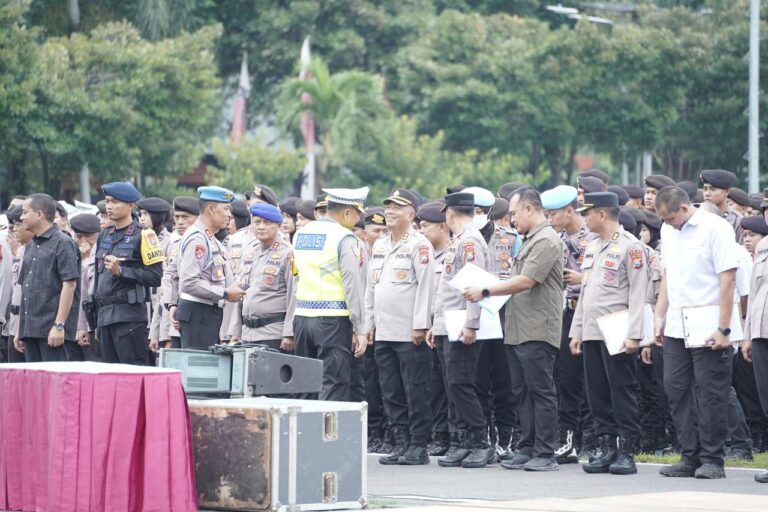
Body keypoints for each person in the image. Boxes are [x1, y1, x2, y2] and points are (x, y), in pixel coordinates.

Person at [464, 187, 563, 472]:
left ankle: (545, 452)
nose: (512, 219)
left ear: (530, 209)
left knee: (541, 390)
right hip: (519, 327)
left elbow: (526, 281)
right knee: (521, 390)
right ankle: (528, 446)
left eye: (515, 213)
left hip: (538, 328)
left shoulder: (546, 239)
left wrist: (486, 290)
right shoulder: (529, 238)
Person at [654, 186, 739, 479]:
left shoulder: (716, 228)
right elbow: (669, 274)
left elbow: (727, 279)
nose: (665, 224)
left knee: (711, 393)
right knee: (675, 389)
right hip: (677, 321)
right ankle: (689, 456)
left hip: (709, 320)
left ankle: (712, 458)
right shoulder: (668, 232)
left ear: (684, 208)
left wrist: (724, 327)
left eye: (668, 217)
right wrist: (659, 315)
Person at [569, 192, 648, 475]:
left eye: (587, 213)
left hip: (618, 327)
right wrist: (576, 330)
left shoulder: (631, 247)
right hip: (592, 329)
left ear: (601, 214)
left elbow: (639, 294)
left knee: (621, 391)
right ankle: (607, 447)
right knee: (597, 392)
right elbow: (586, 292)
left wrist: (635, 334)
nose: (584, 218)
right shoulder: (592, 247)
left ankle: (627, 450)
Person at [366, 189, 435, 465]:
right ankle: (401, 441)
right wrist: (368, 323)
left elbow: (427, 287)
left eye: (397, 207)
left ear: (411, 214)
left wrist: (421, 324)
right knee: (391, 390)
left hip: (409, 332)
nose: (390, 211)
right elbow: (372, 288)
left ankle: (418, 444)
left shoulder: (419, 245)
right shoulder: (381, 245)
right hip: (384, 330)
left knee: (415, 388)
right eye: (388, 207)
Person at [427, 191, 492, 469]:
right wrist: (436, 324)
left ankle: (480, 441)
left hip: (462, 324)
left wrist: (471, 323)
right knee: (452, 384)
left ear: (450, 213)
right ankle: (463, 441)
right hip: (448, 323)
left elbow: (474, 286)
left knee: (461, 383)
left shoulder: (470, 242)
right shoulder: (459, 241)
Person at [292, 187, 369, 401]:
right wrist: (360, 328)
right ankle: (327, 434)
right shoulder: (346, 238)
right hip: (332, 320)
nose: (359, 218)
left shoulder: (301, 233)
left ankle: (302, 433)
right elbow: (352, 285)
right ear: (346, 213)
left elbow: (296, 275)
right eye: (357, 213)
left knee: (305, 383)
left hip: (302, 317)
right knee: (333, 383)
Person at [541, 185, 597, 464]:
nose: (549, 218)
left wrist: (581, 279)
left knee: (596, 380)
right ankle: (567, 439)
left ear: (570, 211)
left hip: (592, 314)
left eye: (553, 213)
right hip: (566, 312)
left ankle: (596, 438)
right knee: (566, 378)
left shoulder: (595, 235)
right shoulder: (555, 238)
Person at [464, 188, 519, 460]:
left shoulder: (511, 239)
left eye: (477, 211)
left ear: (487, 212)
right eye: (468, 211)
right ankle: (482, 439)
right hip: (473, 319)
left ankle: (505, 440)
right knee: (476, 380)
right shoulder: (460, 239)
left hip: (504, 317)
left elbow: (521, 277)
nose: (472, 216)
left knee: (503, 381)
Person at [92, 183, 163, 365]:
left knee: (131, 375)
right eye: (107, 201)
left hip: (129, 318)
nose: (109, 206)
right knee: (109, 377)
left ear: (130, 205)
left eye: (115, 202)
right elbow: (98, 280)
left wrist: (122, 271)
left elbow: (156, 277)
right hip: (105, 316)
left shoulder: (145, 235)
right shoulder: (104, 235)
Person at [177, 186, 244, 350]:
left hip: (205, 314)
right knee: (198, 370)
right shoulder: (198, 239)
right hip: (198, 313)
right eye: (226, 209)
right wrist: (225, 293)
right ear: (211, 209)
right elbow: (189, 282)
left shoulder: (209, 238)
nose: (229, 215)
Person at [17, 193, 80, 362]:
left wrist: (59, 325)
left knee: (55, 386)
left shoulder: (63, 243)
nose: (21, 217)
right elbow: (26, 289)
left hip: (52, 331)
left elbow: (70, 285)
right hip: (31, 331)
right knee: (35, 386)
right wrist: (20, 330)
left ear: (39, 214)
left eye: (24, 212)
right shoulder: (30, 245)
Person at [228, 203, 295, 351]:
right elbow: (241, 292)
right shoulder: (250, 252)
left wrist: (289, 333)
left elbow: (293, 295)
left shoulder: (288, 253)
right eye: (257, 222)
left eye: (267, 222)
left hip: (273, 334)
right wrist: (235, 330)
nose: (261, 227)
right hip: (247, 333)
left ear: (278, 225)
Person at [418, 200, 453, 457]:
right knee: (431, 385)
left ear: (442, 226)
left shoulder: (453, 253)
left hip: (448, 325)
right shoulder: (422, 254)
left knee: (449, 384)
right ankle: (436, 433)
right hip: (425, 326)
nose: (421, 231)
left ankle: (450, 436)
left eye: (426, 225)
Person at [743, 191, 768, 482]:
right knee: (765, 396)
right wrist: (748, 335)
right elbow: (755, 293)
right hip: (761, 332)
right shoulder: (762, 249)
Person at [159, 197, 199, 349]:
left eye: (185, 217)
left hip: (199, 320)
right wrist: (172, 305)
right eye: (177, 217)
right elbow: (169, 279)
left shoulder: (208, 243)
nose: (180, 222)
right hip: (176, 320)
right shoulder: (176, 245)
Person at [71, 213, 103, 362]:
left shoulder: (101, 255)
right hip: (77, 326)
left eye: (82, 237)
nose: (79, 241)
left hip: (97, 325)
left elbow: (88, 295)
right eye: (77, 237)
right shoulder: (74, 256)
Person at [2, 207, 29, 363]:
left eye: (18, 225)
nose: (14, 230)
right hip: (13, 324)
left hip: (29, 326)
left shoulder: (28, 250)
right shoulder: (16, 248)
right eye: (12, 226)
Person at [700, 169, 744, 244]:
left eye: (713, 189)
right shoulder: (696, 215)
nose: (707, 193)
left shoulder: (737, 220)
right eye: (705, 189)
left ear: (727, 192)